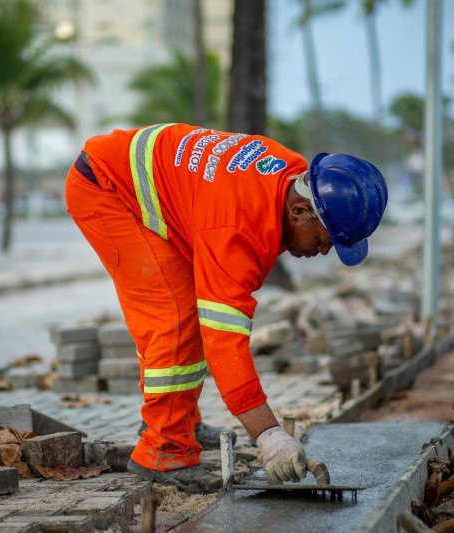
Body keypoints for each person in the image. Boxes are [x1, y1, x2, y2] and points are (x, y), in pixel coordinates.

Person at [64, 123, 387, 493]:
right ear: (299, 210)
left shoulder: (291, 175)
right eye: (324, 239)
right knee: (176, 315)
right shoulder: (237, 230)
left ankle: (178, 421)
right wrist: (270, 437)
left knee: (189, 306)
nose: (325, 251)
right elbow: (224, 343)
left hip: (134, 176)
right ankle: (163, 449)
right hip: (107, 188)